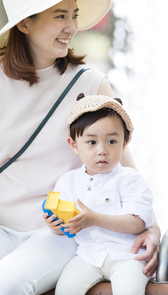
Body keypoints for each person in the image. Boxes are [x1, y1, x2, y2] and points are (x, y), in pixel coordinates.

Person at [0, 0, 161, 295]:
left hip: (59, 233)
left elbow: (126, 169)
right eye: (60, 16)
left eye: (73, 15)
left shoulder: (90, 84)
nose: (72, 27)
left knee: (9, 282)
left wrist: (152, 227)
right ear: (25, 24)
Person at [46, 94, 154, 295]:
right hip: (88, 256)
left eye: (112, 141)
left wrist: (95, 219)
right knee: (65, 289)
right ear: (74, 145)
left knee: (129, 290)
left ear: (124, 143)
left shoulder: (130, 179)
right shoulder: (68, 182)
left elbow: (137, 223)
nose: (102, 150)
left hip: (127, 256)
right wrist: (56, 226)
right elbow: (67, 227)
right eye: (91, 142)